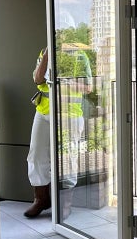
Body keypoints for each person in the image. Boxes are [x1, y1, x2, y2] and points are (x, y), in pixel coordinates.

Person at [25, 43, 91, 218]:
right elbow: (37, 80)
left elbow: (88, 87)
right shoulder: (44, 52)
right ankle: (41, 199)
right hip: (44, 112)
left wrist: (66, 82)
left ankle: (65, 203)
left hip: (69, 114)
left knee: (68, 158)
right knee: (36, 155)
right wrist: (46, 57)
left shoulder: (79, 56)